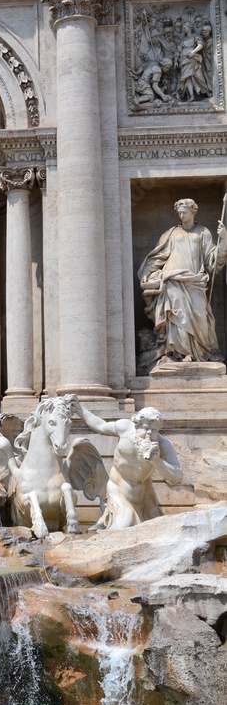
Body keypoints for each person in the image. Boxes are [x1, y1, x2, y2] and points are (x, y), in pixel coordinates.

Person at [138, 198, 227, 363]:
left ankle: (202, 353)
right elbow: (158, 257)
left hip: (195, 281)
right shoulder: (171, 233)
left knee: (200, 316)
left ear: (193, 211)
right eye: (179, 213)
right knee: (177, 316)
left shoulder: (203, 233)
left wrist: (224, 239)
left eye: (184, 212)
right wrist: (147, 274)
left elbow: (213, 262)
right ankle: (182, 353)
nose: (181, 215)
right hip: (173, 279)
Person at [70, 401, 182, 530]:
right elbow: (100, 426)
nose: (149, 433)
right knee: (123, 526)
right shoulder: (125, 428)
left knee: (156, 529)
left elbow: (177, 476)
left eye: (154, 430)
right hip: (118, 490)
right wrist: (79, 409)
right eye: (145, 428)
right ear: (137, 425)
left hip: (144, 494)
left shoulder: (163, 445)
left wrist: (157, 461)